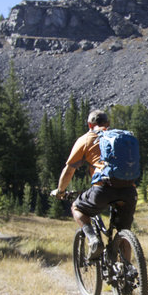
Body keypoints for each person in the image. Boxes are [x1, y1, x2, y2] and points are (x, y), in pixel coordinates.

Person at [51, 109, 138, 259]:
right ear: (108, 124)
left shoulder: (86, 139)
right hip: (129, 190)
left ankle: (93, 240)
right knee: (124, 232)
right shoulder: (121, 137)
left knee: (77, 207)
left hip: (103, 189)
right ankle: (128, 272)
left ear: (89, 124)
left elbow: (69, 169)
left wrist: (60, 191)